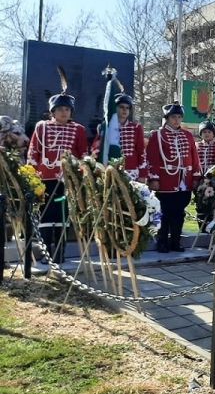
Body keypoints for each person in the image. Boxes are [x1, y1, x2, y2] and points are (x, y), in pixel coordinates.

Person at [27, 87, 89, 263]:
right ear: (53, 112)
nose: (64, 113)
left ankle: (60, 253)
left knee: (63, 216)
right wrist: (31, 177)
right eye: (60, 109)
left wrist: (81, 171)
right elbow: (33, 152)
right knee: (46, 216)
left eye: (67, 109)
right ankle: (46, 253)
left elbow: (82, 153)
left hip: (66, 181)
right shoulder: (42, 127)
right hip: (44, 180)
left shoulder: (78, 130)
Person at [146, 103, 201, 253]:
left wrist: (196, 175)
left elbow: (194, 157)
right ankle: (162, 242)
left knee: (179, 213)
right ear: (167, 118)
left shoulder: (187, 135)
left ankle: (175, 241)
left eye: (178, 117)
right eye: (173, 117)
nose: (176, 120)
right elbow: (153, 158)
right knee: (164, 212)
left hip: (184, 180)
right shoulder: (157, 135)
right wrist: (154, 178)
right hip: (165, 180)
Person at [92, 92, 148, 182]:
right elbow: (96, 148)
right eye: (121, 107)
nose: (124, 110)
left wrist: (143, 174)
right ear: (115, 108)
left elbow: (141, 151)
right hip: (110, 170)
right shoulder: (105, 127)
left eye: (127, 108)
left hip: (131, 171)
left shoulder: (135, 127)